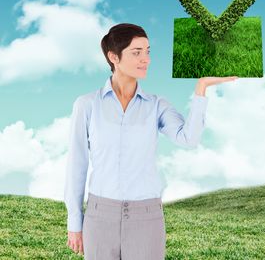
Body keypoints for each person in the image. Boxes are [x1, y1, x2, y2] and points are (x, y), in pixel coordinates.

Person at [64, 23, 238, 259]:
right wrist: (75, 221)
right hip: (99, 216)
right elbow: (77, 166)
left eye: (148, 51)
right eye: (136, 53)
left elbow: (189, 139)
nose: (145, 59)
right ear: (113, 57)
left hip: (146, 217)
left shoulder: (157, 105)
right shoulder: (86, 105)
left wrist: (201, 87)